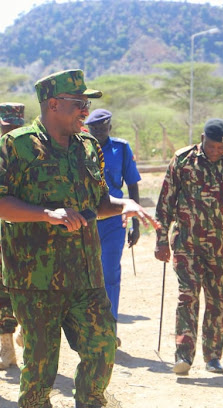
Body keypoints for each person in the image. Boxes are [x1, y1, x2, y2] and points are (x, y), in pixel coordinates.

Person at [0, 69, 158, 408]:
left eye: (87, 103)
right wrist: (46, 214)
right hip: (35, 277)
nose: (86, 110)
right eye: (79, 103)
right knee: (41, 363)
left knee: (101, 348)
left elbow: (96, 203)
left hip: (85, 272)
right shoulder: (17, 145)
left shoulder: (87, 148)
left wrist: (123, 206)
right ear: (53, 105)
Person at [154, 119, 223, 376]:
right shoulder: (183, 160)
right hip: (188, 244)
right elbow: (165, 202)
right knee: (187, 297)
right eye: (211, 146)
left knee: (219, 302)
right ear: (202, 139)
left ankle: (212, 356)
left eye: (220, 148)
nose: (215, 151)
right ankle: (183, 355)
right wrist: (161, 240)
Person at [83, 109, 141, 330]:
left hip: (114, 220)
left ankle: (110, 325)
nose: (98, 131)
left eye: (102, 127)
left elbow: (132, 185)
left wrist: (134, 223)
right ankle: (89, 326)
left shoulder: (122, 149)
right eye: (94, 128)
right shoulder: (79, 148)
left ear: (110, 127)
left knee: (110, 273)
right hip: (86, 218)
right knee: (85, 273)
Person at [0, 102, 25, 370]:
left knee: (28, 290)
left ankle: (26, 332)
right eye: (6, 126)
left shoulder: (32, 151)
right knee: (0, 294)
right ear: (0, 125)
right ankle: (6, 348)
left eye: (15, 126)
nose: (10, 130)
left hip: (27, 234)